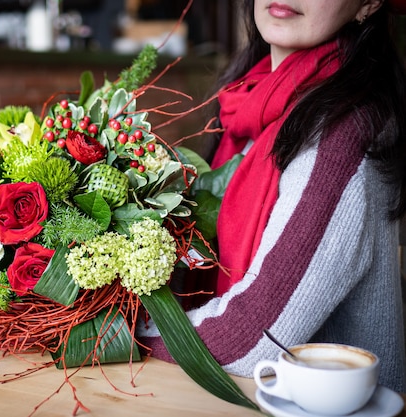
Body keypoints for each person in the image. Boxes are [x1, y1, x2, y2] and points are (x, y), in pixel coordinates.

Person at [139, 0, 406, 393]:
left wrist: (113, 330)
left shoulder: (342, 132)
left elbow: (253, 336)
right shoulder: (246, 98)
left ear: (369, 4)